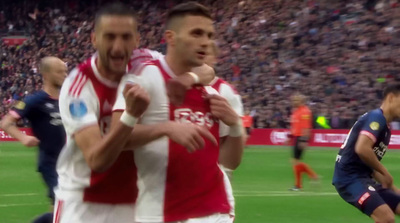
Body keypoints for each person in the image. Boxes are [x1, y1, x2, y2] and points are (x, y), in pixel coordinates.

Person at [112, 2, 244, 222]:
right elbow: (115, 139)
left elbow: (230, 162)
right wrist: (166, 128)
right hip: (158, 213)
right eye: (196, 33)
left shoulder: (212, 93)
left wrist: (235, 126)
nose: (205, 42)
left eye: (209, 35)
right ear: (171, 38)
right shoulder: (145, 77)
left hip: (213, 212)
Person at [54, 4, 150, 223]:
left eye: (126, 37)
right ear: (94, 39)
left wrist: (194, 75)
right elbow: (96, 159)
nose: (118, 47)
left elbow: (192, 66)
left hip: (132, 203)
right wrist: (131, 117)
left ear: (137, 40)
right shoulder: (78, 88)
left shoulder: (145, 66)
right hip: (83, 204)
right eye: (110, 37)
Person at [0, 56, 67, 223]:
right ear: (46, 75)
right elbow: (6, 122)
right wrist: (23, 138)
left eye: (65, 71)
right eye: (59, 72)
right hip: (50, 164)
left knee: (60, 213)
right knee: (65, 206)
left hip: (68, 164)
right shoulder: (35, 101)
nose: (65, 75)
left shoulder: (66, 100)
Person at [333, 84, 400, 223]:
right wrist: (385, 173)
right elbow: (362, 149)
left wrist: (392, 187)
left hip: (363, 177)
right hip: (349, 178)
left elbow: (369, 163)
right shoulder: (377, 118)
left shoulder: (386, 127)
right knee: (386, 218)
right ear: (391, 98)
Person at [288, 93, 318, 191]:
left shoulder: (305, 112)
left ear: (301, 101)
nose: (293, 102)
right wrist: (290, 136)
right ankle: (306, 179)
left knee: (295, 161)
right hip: (296, 137)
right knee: (295, 161)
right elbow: (295, 126)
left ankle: (309, 178)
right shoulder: (296, 112)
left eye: (296, 100)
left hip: (301, 138)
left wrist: (304, 140)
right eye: (293, 100)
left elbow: (306, 127)